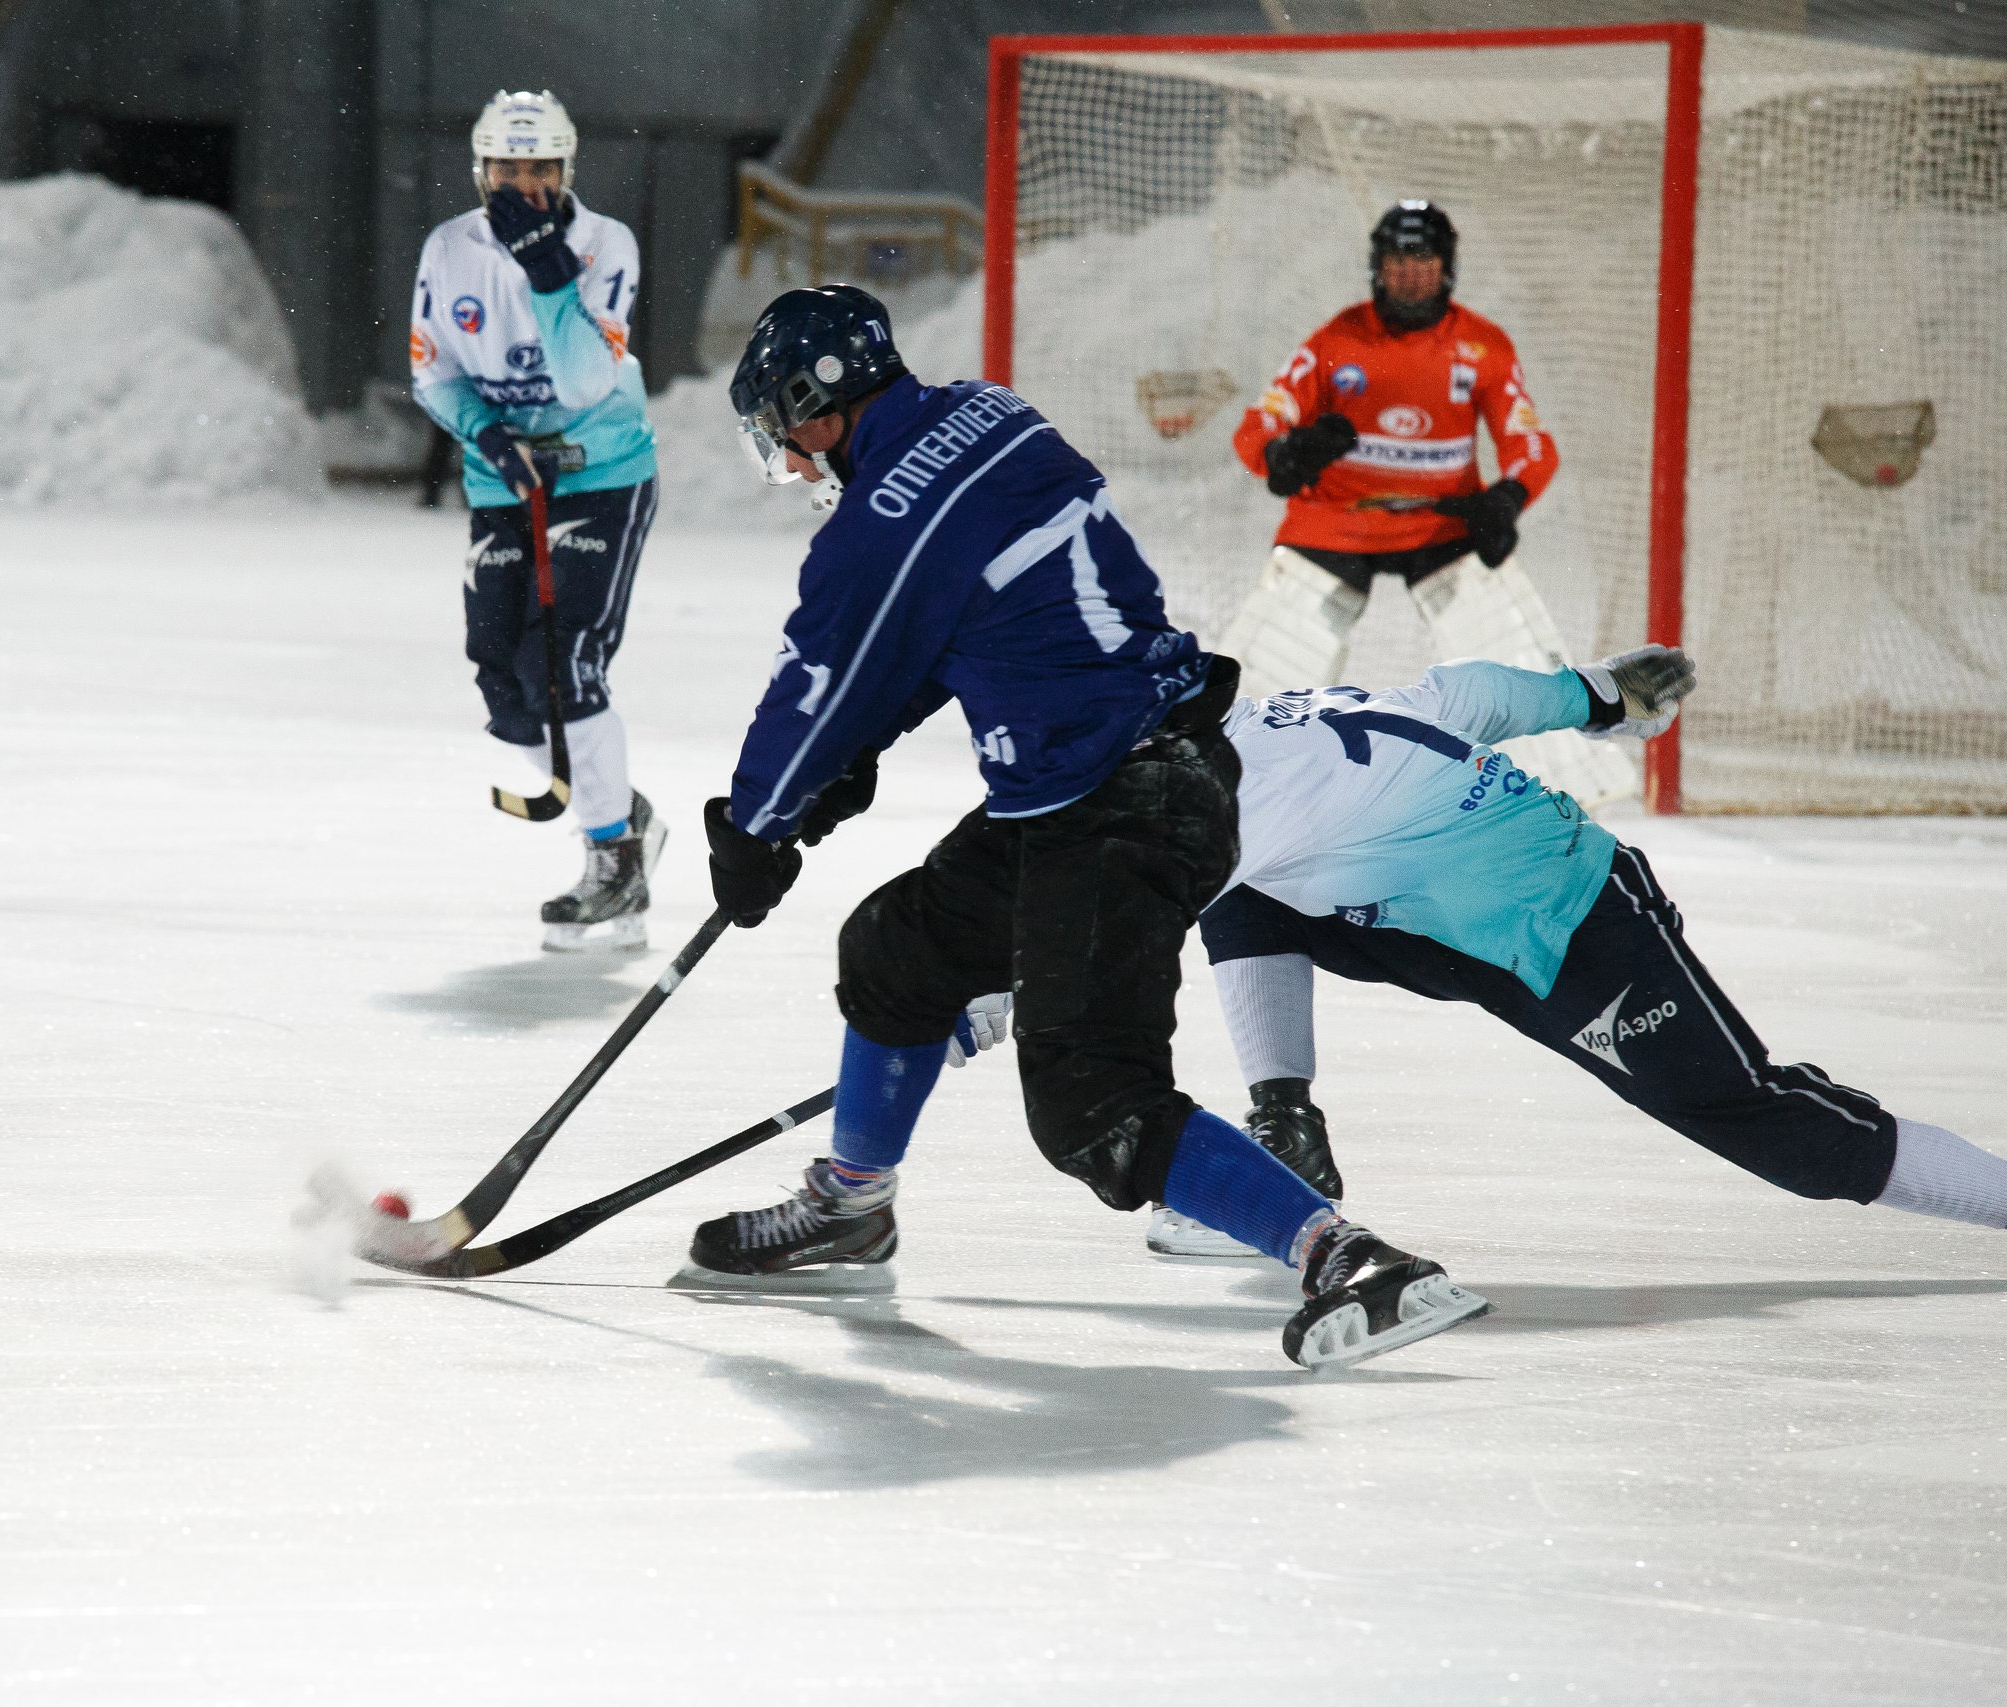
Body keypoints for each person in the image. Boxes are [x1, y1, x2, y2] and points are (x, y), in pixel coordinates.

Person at [682, 283, 1490, 1370]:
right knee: (895, 951)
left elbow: (820, 679)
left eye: (787, 441)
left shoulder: (881, 524)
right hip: (1113, 779)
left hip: (1121, 804)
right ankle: (851, 1207)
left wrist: (755, 822)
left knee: (1091, 1105)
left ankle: (1347, 1258)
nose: (797, 466)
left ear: (816, 408)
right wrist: (849, 762)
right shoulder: (986, 416)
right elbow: (976, 623)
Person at [1147, 647, 2007, 1254]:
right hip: (1442, 929)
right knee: (1244, 888)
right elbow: (1472, 693)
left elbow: (1110, 923)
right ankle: (1288, 1131)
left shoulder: (1233, 795)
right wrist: (1597, 692)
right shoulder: (1279, 719)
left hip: (1575, 929)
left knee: (1772, 1126)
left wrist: (1009, 981)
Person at [1218, 200, 1630, 804]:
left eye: (1424, 260)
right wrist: (1286, 454)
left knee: (1500, 654)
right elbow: (1256, 428)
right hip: (1336, 522)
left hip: (1443, 525)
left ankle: (1550, 792)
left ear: (1447, 267)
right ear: (1375, 268)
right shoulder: (1336, 340)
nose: (1410, 274)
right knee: (1278, 659)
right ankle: (1229, 787)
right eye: (1396, 260)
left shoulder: (1482, 347)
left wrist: (1508, 498)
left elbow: (1530, 445)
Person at [409, 90, 662, 952]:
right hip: (500, 480)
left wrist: (549, 271)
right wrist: (485, 434)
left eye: (541, 169)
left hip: (601, 475)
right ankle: (620, 810)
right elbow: (433, 372)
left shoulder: (604, 244)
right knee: (504, 684)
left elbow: (589, 379)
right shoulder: (449, 249)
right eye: (507, 169)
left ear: (567, 171)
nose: (523, 185)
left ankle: (611, 859)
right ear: (481, 170)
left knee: (560, 663)